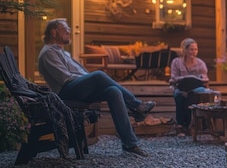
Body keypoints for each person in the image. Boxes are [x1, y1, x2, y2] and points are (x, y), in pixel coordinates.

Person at [37, 18, 155, 157]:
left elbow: (80, 74)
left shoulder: (62, 52)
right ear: (54, 32)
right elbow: (65, 78)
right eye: (65, 29)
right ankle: (137, 106)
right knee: (98, 75)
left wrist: (90, 81)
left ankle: (130, 144)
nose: (69, 31)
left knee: (114, 91)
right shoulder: (48, 53)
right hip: (66, 91)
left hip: (77, 88)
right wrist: (91, 81)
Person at [169, 38, 213, 136]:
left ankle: (190, 125)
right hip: (181, 87)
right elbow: (174, 77)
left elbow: (205, 79)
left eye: (196, 49)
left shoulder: (200, 63)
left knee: (193, 94)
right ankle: (180, 125)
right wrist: (183, 78)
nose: (194, 52)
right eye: (191, 49)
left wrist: (197, 79)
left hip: (196, 88)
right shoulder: (176, 62)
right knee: (179, 95)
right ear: (185, 50)